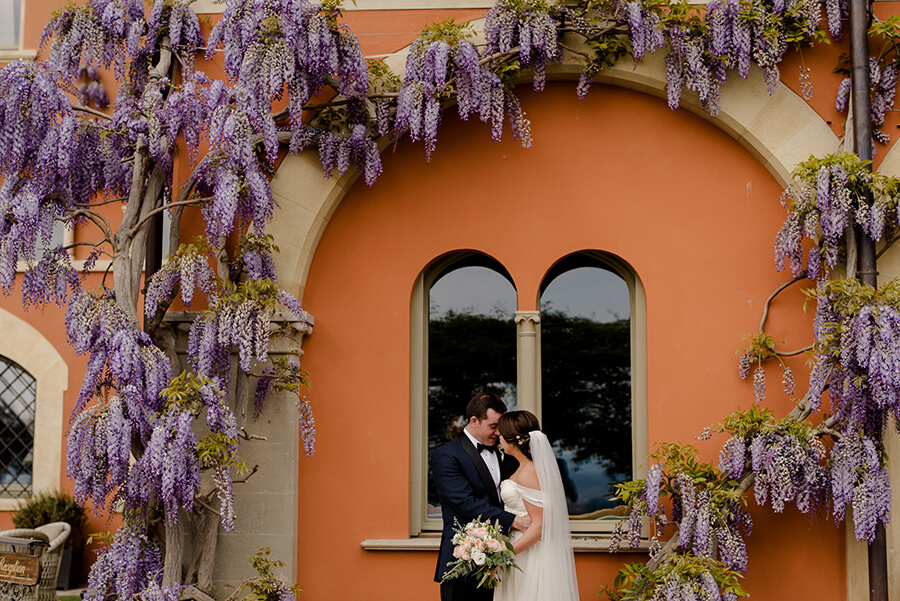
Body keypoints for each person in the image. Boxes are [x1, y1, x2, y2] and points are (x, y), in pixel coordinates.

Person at [430, 393, 532, 601]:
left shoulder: (507, 452)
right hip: (462, 560)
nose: (498, 433)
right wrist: (514, 521)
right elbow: (464, 503)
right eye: (493, 426)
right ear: (474, 421)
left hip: (502, 561)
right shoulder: (447, 456)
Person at [494, 410, 580, 601]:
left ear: (512, 440)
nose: (497, 436)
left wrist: (505, 554)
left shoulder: (529, 472)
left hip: (528, 553)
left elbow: (539, 525)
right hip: (518, 547)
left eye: (500, 433)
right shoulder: (523, 468)